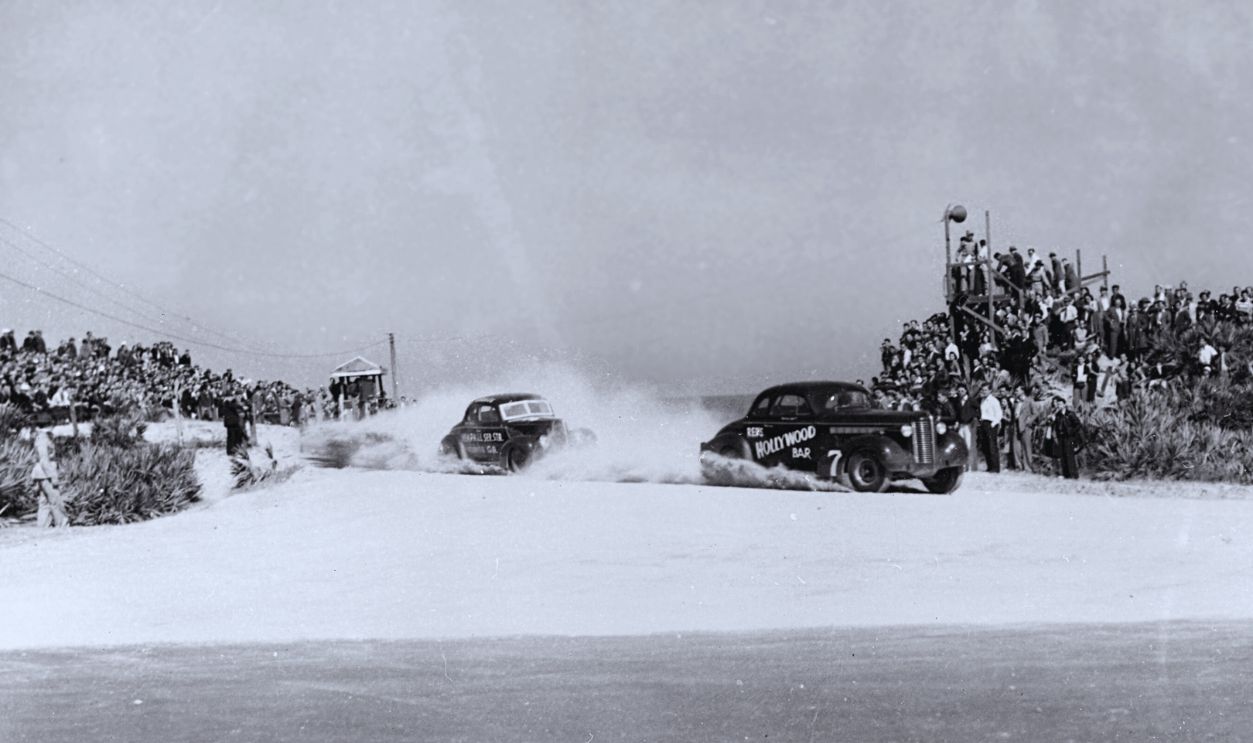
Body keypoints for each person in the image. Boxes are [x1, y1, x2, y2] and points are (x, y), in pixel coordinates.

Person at [30, 424, 69, 528]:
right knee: (55, 499)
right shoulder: (43, 438)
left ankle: (43, 526)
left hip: (41, 474)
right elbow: (44, 460)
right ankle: (62, 524)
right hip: (45, 474)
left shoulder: (41, 437)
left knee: (44, 501)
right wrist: (53, 476)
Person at [1045, 397, 1085, 479]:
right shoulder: (1058, 415)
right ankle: (1066, 474)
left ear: (1064, 405)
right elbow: (1054, 424)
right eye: (1058, 404)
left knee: (1069, 455)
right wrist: (1052, 419)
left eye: (1060, 404)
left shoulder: (1070, 414)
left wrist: (1071, 432)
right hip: (1061, 437)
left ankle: (1073, 474)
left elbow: (1078, 425)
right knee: (1063, 456)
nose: (1059, 406)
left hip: (1069, 437)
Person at [978, 386, 1003, 473]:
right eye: (982, 390)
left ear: (990, 391)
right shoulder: (982, 400)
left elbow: (999, 414)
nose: (984, 391)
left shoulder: (994, 401)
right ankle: (989, 466)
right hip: (983, 423)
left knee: (992, 446)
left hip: (991, 424)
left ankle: (995, 468)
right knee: (985, 446)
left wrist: (992, 425)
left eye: (985, 390)